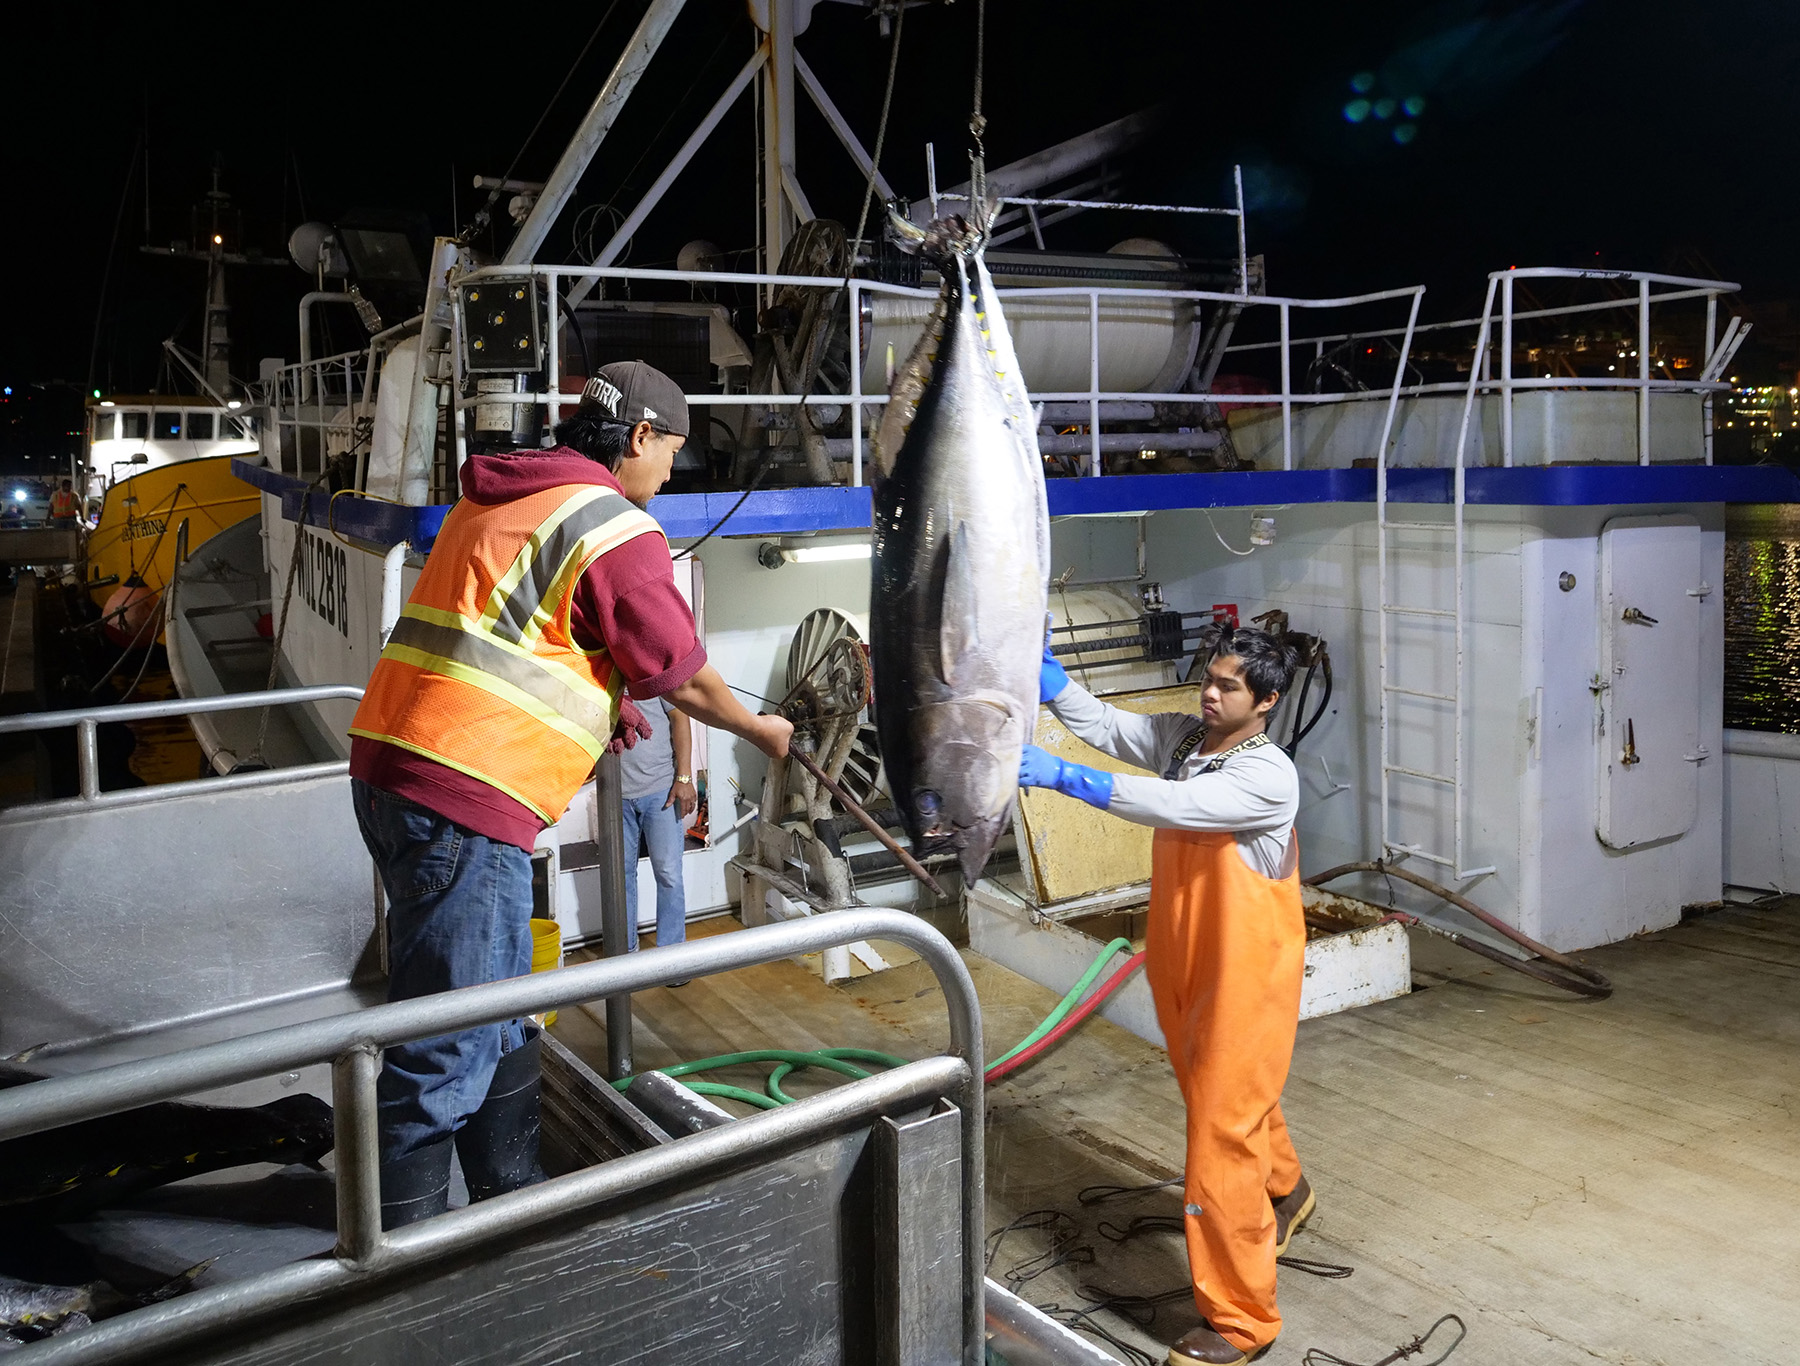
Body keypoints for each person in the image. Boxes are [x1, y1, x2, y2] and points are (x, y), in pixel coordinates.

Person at [346, 359, 792, 1228]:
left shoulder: (500, 499)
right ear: (638, 438)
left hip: (395, 772)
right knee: (450, 1045)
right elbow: (681, 675)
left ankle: (510, 1201)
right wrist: (763, 731)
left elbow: (517, 633)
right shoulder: (612, 524)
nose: (669, 474)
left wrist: (605, 704)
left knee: (507, 1012)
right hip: (465, 801)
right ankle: (395, 1270)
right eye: (672, 453)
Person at [1018, 626, 1309, 1366]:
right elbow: (1115, 727)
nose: (1210, 694)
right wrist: (1049, 680)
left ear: (1267, 701)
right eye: (1208, 679)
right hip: (1186, 960)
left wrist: (1060, 776)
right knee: (1225, 1101)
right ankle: (1287, 1189)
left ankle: (1244, 1322)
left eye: (1229, 687)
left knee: (1218, 1134)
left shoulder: (1266, 774)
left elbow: (1164, 805)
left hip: (1248, 973)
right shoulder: (1188, 739)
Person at [619, 693, 696, 957]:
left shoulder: (651, 669)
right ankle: (626, 954)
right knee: (621, 877)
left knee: (668, 874)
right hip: (614, 797)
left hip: (661, 790)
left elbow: (680, 718)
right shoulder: (599, 670)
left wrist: (684, 778)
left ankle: (671, 958)